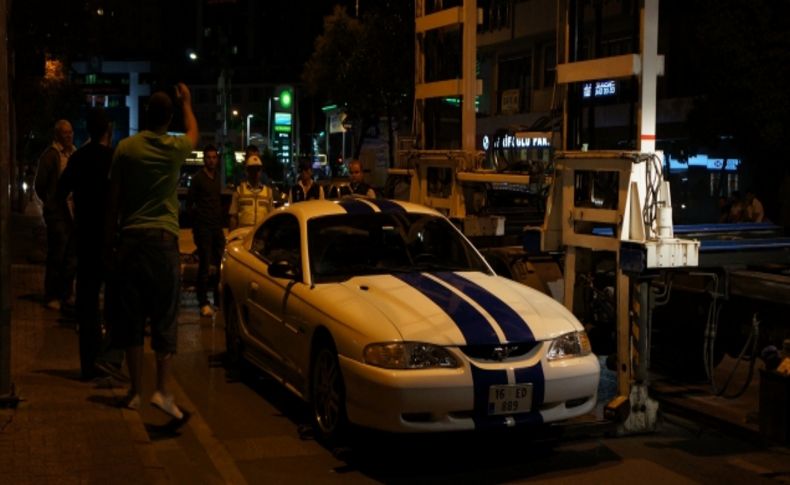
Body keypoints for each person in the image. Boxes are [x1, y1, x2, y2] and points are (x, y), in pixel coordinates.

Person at [107, 83, 198, 421]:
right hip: (163, 242)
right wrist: (187, 101)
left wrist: (109, 244)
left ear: (145, 116)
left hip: (130, 240)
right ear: (168, 118)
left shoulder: (126, 149)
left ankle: (134, 391)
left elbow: (112, 201)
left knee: (131, 317)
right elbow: (193, 133)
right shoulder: (174, 148)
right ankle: (162, 390)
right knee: (164, 316)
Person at [56, 107, 125, 381]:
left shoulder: (78, 158)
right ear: (108, 130)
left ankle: (88, 365)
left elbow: (59, 194)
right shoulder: (115, 159)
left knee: (86, 302)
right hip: (111, 240)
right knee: (117, 301)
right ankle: (109, 358)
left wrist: (70, 223)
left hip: (85, 237)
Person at [35, 119, 77, 311]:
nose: (69, 136)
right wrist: (51, 203)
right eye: (65, 133)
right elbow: (40, 185)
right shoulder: (51, 156)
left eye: (70, 132)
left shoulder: (74, 153)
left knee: (70, 255)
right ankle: (52, 294)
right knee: (57, 254)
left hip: (72, 213)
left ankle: (66, 293)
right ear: (57, 135)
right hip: (57, 213)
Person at [186, 145, 225, 317]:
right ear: (204, 159)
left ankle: (217, 300)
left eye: (214, 157)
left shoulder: (217, 177)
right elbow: (189, 204)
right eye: (208, 157)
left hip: (216, 227)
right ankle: (203, 302)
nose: (211, 160)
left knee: (219, 265)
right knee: (204, 265)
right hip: (203, 228)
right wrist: (197, 225)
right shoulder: (198, 179)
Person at [228, 155, 274, 230]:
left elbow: (271, 218)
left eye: (258, 169)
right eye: (252, 169)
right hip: (243, 235)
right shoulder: (239, 191)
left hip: (260, 236)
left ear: (261, 171)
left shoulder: (268, 192)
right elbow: (233, 217)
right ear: (247, 171)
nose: (255, 172)